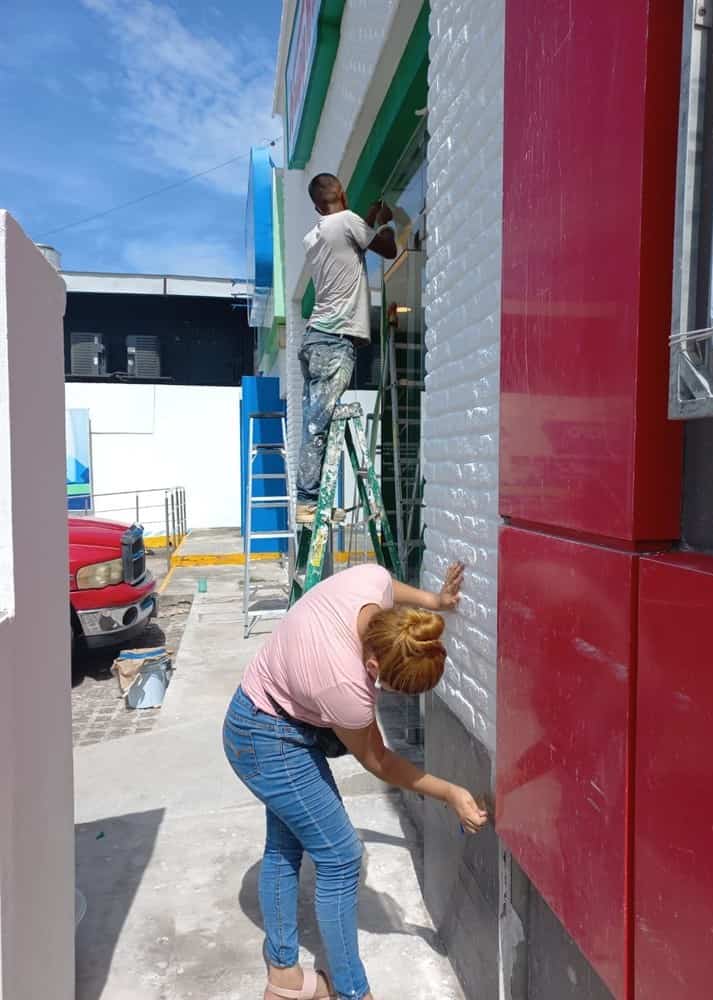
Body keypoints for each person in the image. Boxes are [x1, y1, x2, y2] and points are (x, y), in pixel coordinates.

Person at [223, 561, 489, 1000]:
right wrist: (450, 792)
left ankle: (284, 979)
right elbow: (378, 760)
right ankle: (352, 993)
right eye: (390, 686)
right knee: (342, 859)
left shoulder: (369, 581)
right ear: (370, 662)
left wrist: (435, 602)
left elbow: (391, 586)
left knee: (287, 844)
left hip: (263, 709)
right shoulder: (345, 687)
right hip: (265, 737)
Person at [297, 174, 398, 522]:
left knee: (314, 420)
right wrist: (387, 225)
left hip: (315, 340)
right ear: (342, 192)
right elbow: (388, 249)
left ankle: (310, 500)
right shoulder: (349, 222)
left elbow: (353, 244)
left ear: (315, 206)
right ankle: (308, 503)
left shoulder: (315, 235)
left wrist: (367, 219)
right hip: (334, 341)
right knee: (318, 424)